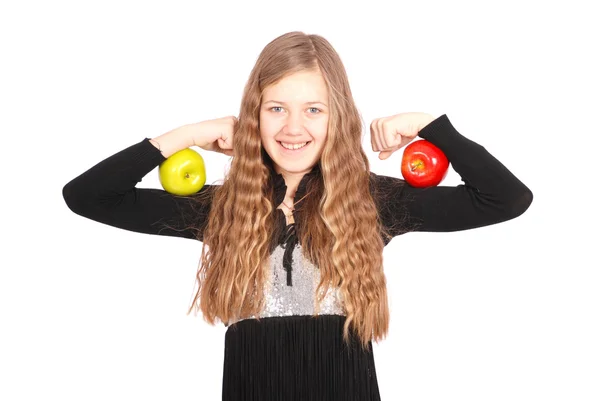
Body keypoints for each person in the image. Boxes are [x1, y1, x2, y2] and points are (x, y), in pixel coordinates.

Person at [62, 31, 533, 401]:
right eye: (276, 109)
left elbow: (505, 198)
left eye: (313, 109)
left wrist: (430, 127)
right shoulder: (224, 208)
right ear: (254, 116)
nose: (293, 128)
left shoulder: (371, 200)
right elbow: (88, 196)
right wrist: (188, 134)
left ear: (338, 117)